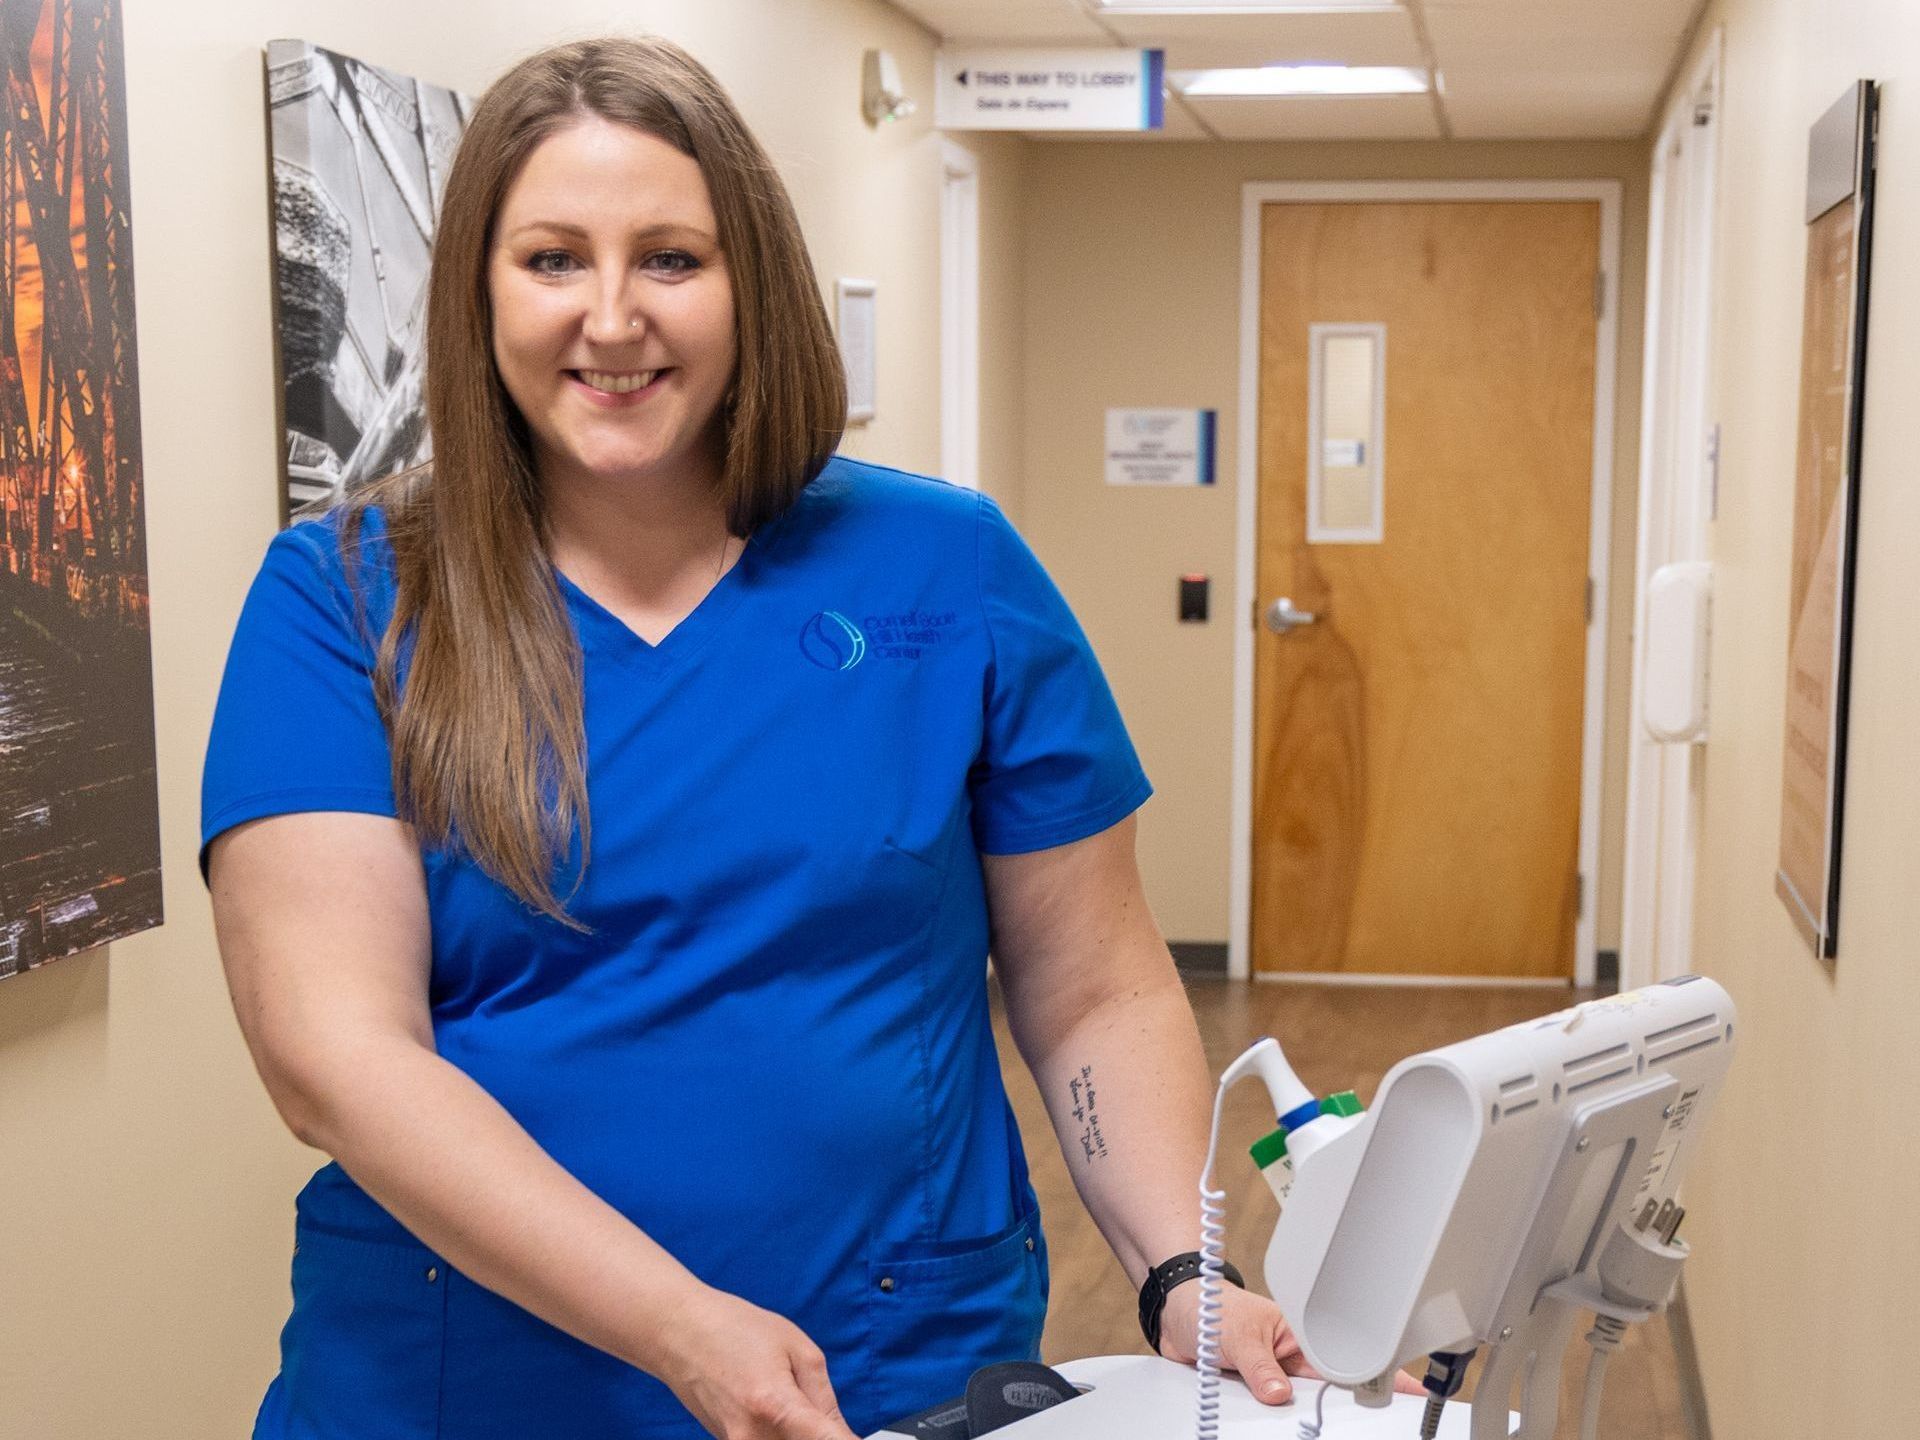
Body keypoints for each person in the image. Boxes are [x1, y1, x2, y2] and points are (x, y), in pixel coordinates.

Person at [204, 35, 1331, 1440]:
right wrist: (682, 1328)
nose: (612, 318)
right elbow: (335, 1057)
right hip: (468, 1372)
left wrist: (1181, 1270)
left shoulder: (947, 567)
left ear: (752, 288)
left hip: (886, 1350)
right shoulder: (345, 601)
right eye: (552, 259)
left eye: (671, 258)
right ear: (479, 293)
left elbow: (1094, 982)